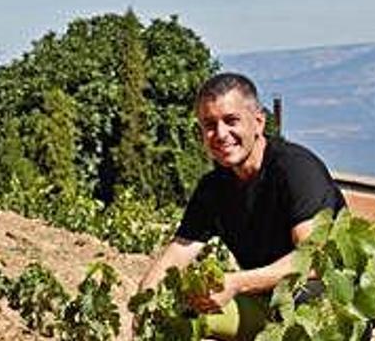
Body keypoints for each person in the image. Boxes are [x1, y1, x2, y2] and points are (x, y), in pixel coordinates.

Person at [137, 72, 346, 340]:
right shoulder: (213, 188)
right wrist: (144, 302)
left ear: (258, 122)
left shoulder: (295, 169)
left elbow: (316, 259)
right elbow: (178, 253)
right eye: (209, 125)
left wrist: (236, 283)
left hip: (324, 314)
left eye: (231, 120)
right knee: (174, 316)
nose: (221, 134)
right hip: (267, 303)